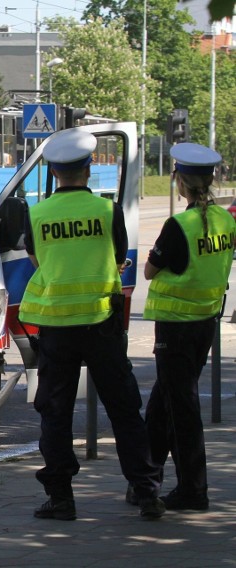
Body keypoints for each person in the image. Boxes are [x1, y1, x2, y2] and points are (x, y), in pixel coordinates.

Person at [19, 129, 165, 520]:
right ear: (88, 169)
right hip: (102, 322)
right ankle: (147, 491)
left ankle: (61, 499)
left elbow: (36, 261)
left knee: (55, 413)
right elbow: (118, 256)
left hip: (57, 327)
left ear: (53, 171)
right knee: (124, 409)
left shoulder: (36, 214)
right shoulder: (107, 211)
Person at [139, 143, 235, 511]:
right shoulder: (226, 219)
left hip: (176, 326)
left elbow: (150, 271)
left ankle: (193, 490)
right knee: (164, 402)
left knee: (180, 408)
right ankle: (146, 479)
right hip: (205, 323)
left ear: (180, 181)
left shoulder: (179, 225)